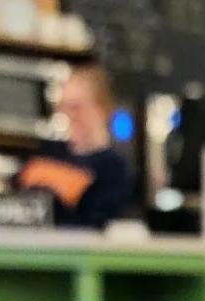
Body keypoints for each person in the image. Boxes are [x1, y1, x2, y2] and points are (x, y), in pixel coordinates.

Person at [19, 66, 133, 229]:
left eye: (77, 108)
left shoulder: (114, 168)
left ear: (102, 109)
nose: (69, 116)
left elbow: (94, 227)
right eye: (63, 107)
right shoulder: (45, 154)